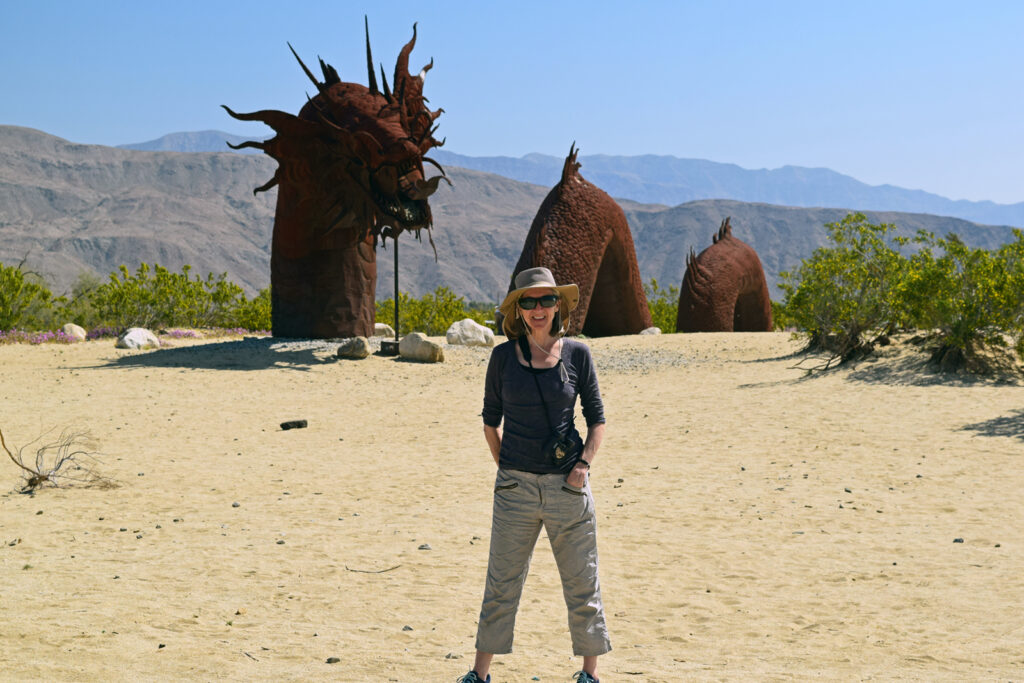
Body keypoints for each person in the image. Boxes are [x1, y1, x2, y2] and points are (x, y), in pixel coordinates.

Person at [459, 267, 610, 683]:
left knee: (583, 583)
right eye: (529, 301)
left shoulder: (578, 354)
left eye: (546, 300)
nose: (538, 308)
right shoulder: (502, 358)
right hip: (515, 489)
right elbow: (491, 422)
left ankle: (589, 675)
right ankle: (479, 674)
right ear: (518, 310)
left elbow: (597, 420)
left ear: (557, 305)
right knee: (501, 585)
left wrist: (583, 465)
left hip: (568, 487)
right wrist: (507, 468)